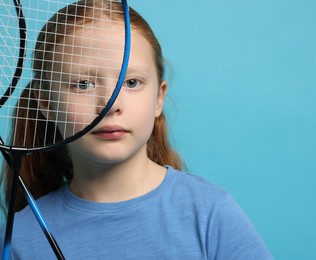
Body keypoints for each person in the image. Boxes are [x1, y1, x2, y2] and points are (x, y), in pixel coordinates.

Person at [0, 0, 272, 259]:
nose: (110, 105)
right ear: (46, 103)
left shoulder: (210, 213)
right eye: (83, 84)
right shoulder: (18, 240)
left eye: (131, 82)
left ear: (158, 98)